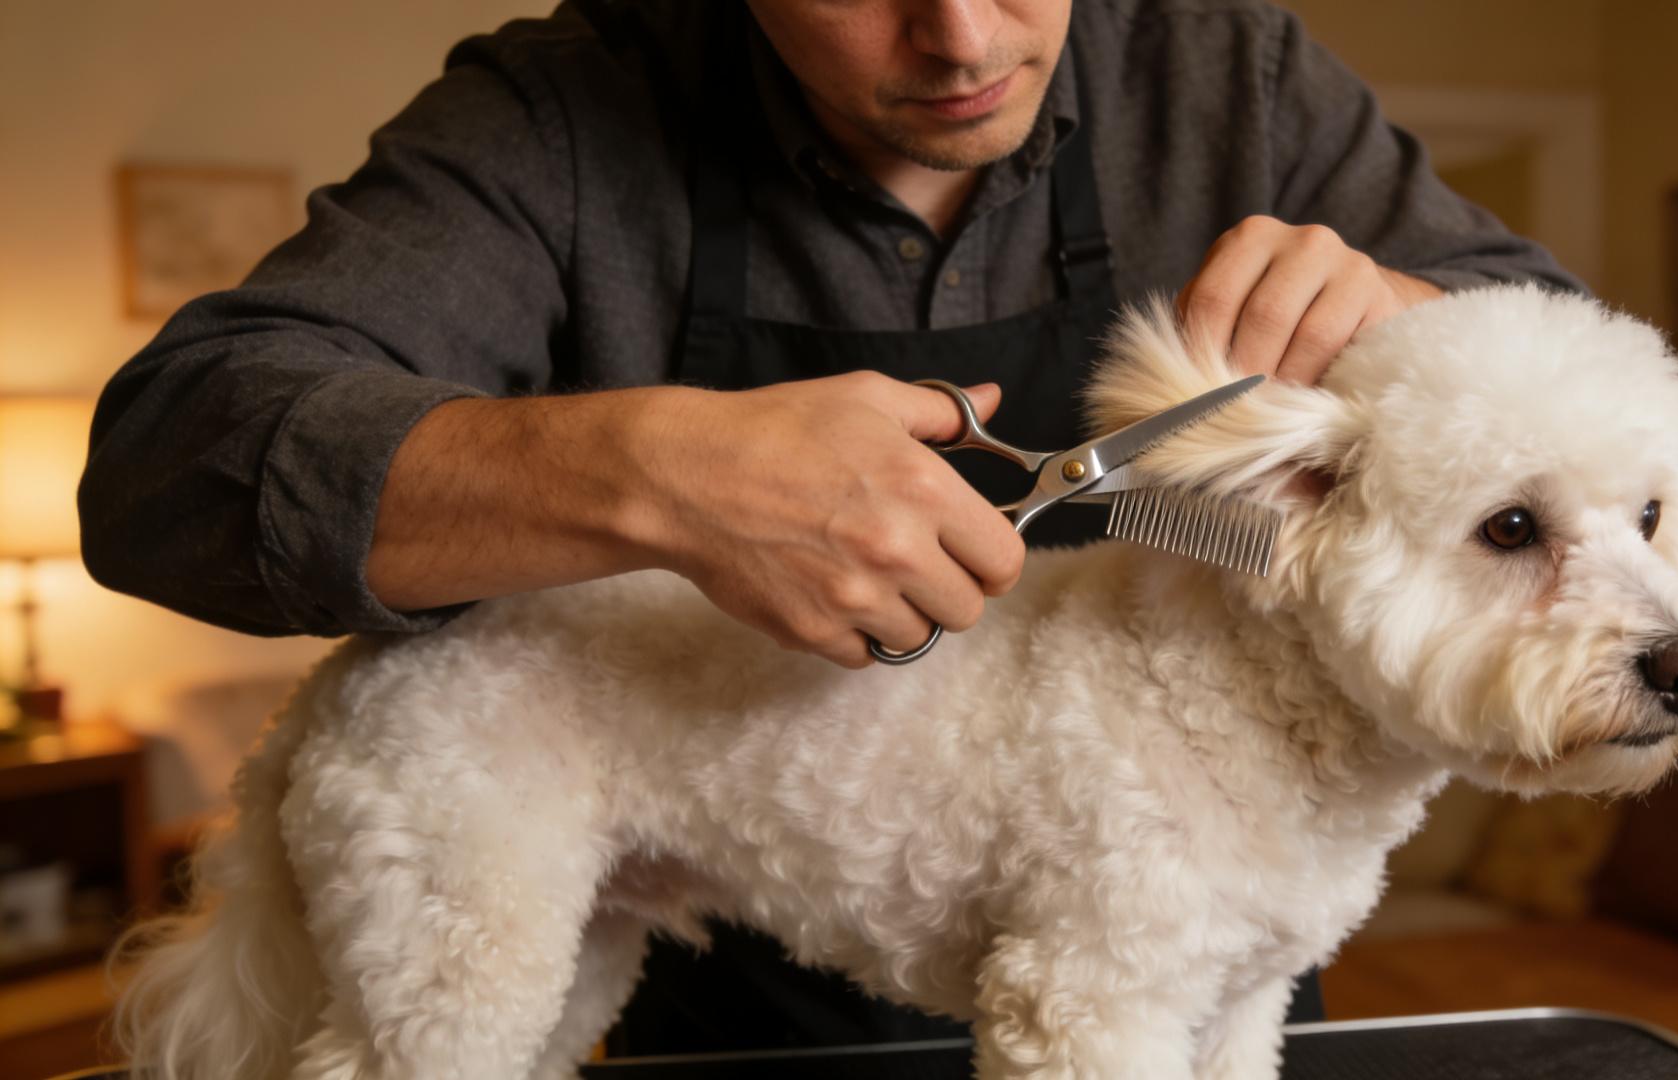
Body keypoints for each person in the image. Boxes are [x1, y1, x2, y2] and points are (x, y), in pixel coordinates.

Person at [78, 0, 1581, 1056]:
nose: (964, 38)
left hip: (1189, 966)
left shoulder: (1229, 74)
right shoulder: (561, 113)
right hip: (741, 990)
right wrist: (647, 469)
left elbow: (1576, 364)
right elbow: (167, 463)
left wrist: (1426, 322)